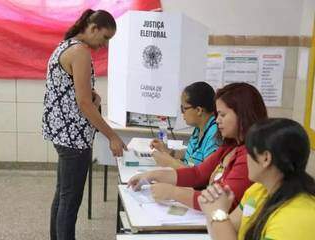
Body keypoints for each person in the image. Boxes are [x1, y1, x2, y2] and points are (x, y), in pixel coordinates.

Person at [42, 9, 126, 240]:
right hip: (73, 137)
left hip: (63, 134)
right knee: (70, 199)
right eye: (105, 37)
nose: (104, 45)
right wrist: (112, 136)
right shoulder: (80, 52)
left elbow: (77, 93)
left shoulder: (66, 45)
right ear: (93, 28)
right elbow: (84, 104)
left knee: (63, 195)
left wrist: (92, 97)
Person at [128, 82, 268, 211]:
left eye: (222, 115)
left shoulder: (249, 156)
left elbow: (219, 201)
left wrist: (172, 192)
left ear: (243, 115)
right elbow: (198, 173)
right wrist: (151, 175)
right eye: (217, 114)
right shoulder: (229, 146)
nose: (217, 120)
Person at [198, 118, 315, 240]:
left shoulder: (297, 216)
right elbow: (225, 233)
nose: (245, 158)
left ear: (265, 158)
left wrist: (218, 213)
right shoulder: (258, 190)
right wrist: (213, 208)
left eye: (248, 151)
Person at [150, 81, 218, 169]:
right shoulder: (199, 128)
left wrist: (170, 162)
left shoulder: (214, 134)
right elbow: (191, 155)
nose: (182, 113)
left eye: (184, 108)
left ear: (198, 110)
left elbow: (204, 175)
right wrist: (167, 151)